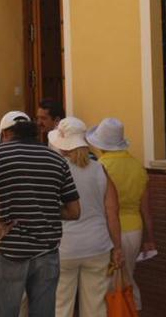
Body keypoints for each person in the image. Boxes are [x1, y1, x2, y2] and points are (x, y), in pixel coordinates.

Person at [0, 111, 81, 317]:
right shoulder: (57, 160)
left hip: (12, 250)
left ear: (7, 134)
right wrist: (45, 209)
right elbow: (74, 212)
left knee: (5, 312)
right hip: (48, 250)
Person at [49, 117, 123, 317]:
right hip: (98, 246)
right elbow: (112, 212)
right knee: (96, 307)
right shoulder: (100, 169)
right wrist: (117, 247)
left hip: (64, 247)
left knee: (61, 306)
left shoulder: (55, 170)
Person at [87, 118, 156, 311]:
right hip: (135, 229)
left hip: (108, 230)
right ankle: (133, 311)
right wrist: (150, 238)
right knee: (128, 277)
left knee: (107, 283)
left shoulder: (99, 167)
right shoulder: (138, 167)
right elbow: (146, 209)